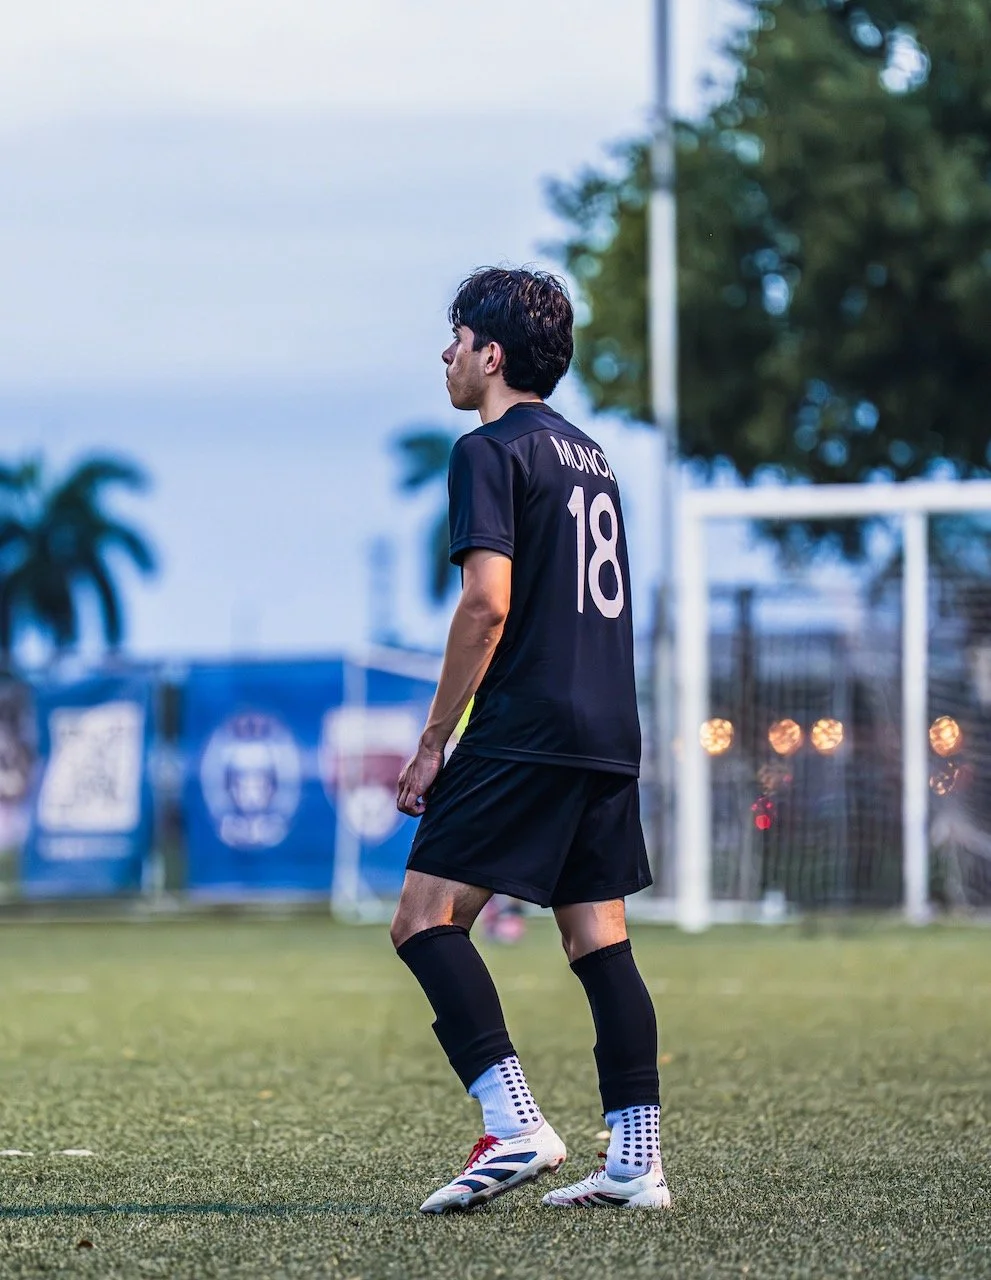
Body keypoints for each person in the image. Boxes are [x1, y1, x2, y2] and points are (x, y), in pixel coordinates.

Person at [392, 266, 670, 1214]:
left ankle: (514, 1124)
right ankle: (636, 1162)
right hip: (608, 726)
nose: (447, 352)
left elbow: (487, 603)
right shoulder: (591, 455)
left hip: (529, 725)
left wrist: (434, 742)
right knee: (598, 940)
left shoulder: (488, 450)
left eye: (457, 335)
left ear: (491, 354)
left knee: (423, 918)